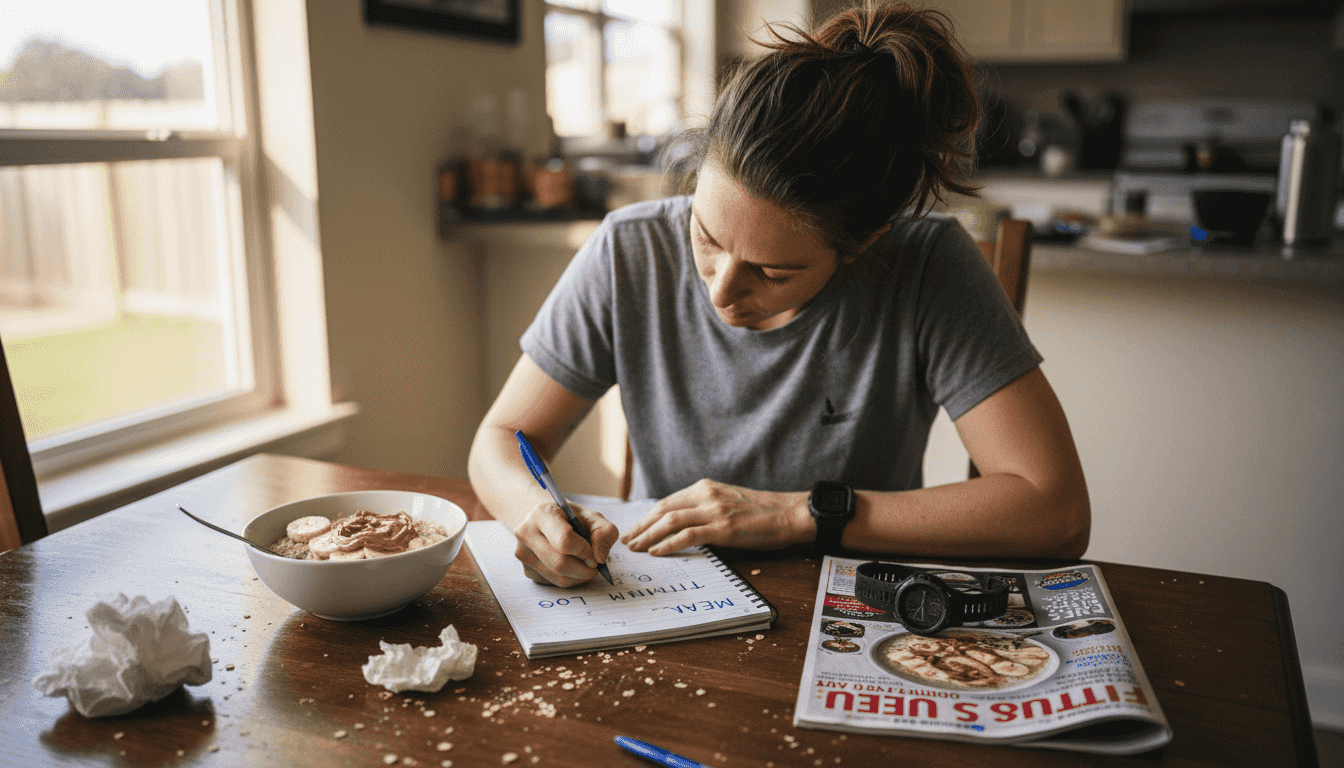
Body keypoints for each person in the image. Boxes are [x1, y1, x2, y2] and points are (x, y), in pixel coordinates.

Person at [468, 1, 1090, 588]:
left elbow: (1056, 512)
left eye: (773, 273)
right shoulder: (630, 250)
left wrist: (800, 515)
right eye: (707, 237)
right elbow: (504, 437)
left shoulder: (926, 265)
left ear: (863, 242)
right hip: (666, 591)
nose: (721, 291)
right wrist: (531, 512)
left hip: (853, 603)